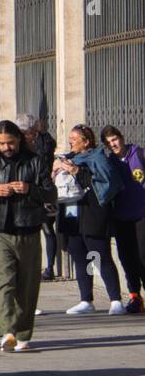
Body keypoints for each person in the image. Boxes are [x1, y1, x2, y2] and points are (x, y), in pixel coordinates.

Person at [0, 120, 56, 351]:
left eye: (10, 142)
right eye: (2, 143)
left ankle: (23, 334)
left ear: (19, 140)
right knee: (4, 282)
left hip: (28, 230)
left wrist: (30, 189)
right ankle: (6, 332)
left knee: (28, 285)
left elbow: (51, 193)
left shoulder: (35, 161)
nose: (7, 147)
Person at [54, 124, 125, 315]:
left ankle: (115, 299)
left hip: (93, 213)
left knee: (100, 255)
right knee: (79, 255)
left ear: (86, 141)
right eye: (69, 139)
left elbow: (107, 184)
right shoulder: (68, 158)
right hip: (71, 211)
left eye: (74, 139)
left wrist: (78, 172)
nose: (70, 143)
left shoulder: (98, 157)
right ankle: (86, 299)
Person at [102, 126, 145, 313]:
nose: (113, 144)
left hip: (142, 214)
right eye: (109, 143)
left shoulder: (140, 154)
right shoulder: (109, 161)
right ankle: (135, 295)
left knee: (143, 255)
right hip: (120, 216)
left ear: (121, 137)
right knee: (126, 258)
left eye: (115, 140)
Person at [18, 114, 59, 280]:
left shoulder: (44, 141)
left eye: (24, 131)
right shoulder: (21, 145)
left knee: (47, 229)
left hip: (42, 191)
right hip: (27, 193)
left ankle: (49, 268)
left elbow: (44, 160)